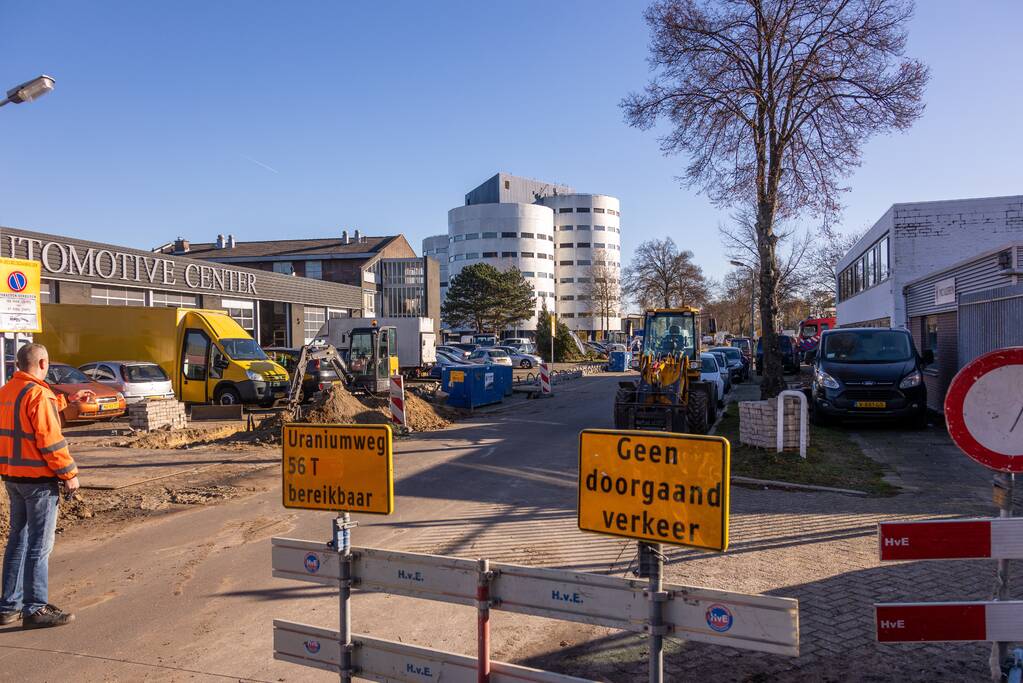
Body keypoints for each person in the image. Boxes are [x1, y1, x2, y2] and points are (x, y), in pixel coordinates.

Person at [0, 343, 92, 629]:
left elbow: (28, 419)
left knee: (18, 541)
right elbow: (49, 440)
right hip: (39, 481)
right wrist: (69, 474)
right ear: (42, 364)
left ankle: (8, 606)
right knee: (39, 545)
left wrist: (67, 400)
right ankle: (35, 608)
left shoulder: (8, 392)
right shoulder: (39, 395)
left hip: (13, 477)